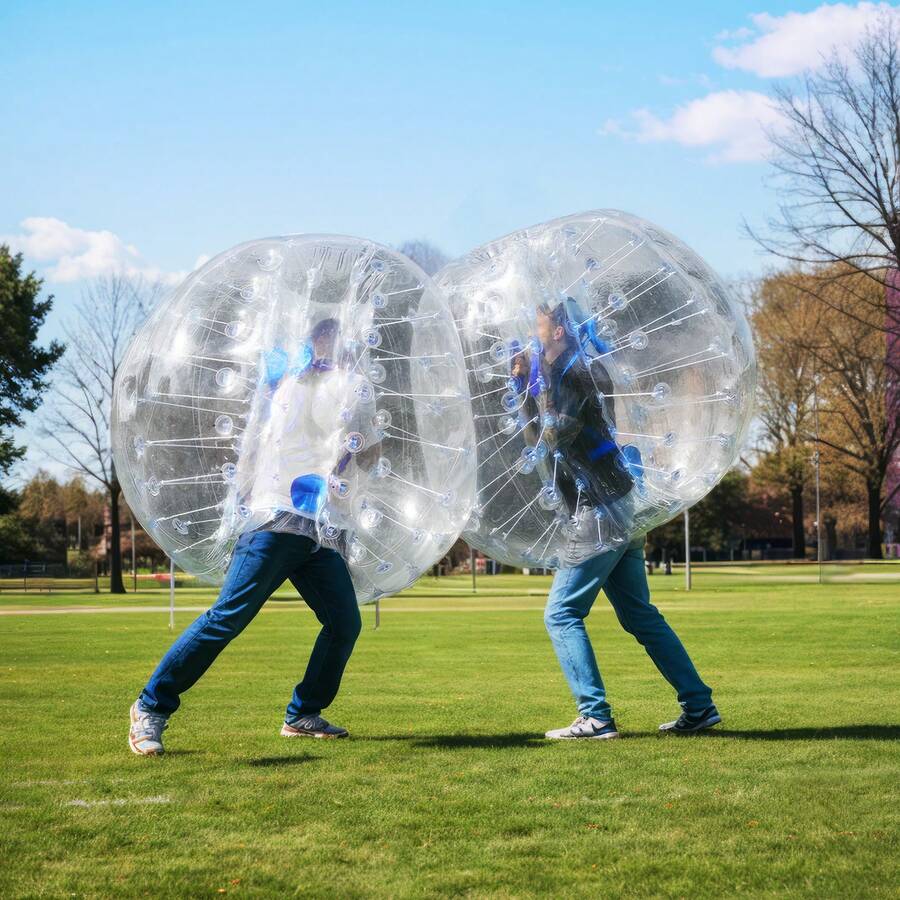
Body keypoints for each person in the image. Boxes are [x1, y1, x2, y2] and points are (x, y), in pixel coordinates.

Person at [129, 318, 371, 755]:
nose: (340, 355)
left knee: (344, 623)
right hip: (276, 517)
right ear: (315, 344)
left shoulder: (344, 390)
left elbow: (353, 449)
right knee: (228, 617)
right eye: (332, 345)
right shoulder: (290, 388)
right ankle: (150, 707)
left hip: (319, 529)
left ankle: (303, 713)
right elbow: (281, 443)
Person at [533, 302, 720, 740]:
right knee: (639, 614)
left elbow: (558, 430)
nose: (532, 331)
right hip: (618, 502)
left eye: (538, 323)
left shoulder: (574, 372)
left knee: (561, 613)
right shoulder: (573, 367)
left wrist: (531, 391)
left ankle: (594, 716)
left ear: (559, 330)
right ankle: (699, 706)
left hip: (598, 506)